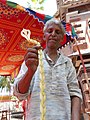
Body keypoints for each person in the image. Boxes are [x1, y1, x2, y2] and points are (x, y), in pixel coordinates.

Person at [13, 18, 82, 120]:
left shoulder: (67, 63)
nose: (53, 34)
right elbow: (19, 94)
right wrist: (30, 71)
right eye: (50, 31)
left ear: (61, 38)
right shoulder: (32, 59)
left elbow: (75, 94)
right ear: (44, 36)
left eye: (57, 32)